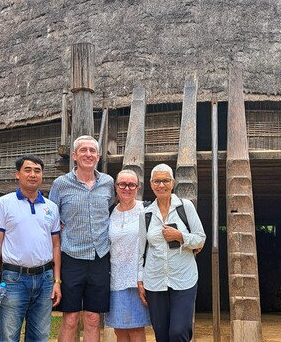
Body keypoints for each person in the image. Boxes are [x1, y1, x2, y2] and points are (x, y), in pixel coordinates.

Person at [0, 154, 62, 342]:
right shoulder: (4, 204)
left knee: (40, 336)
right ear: (17, 174)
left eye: (37, 171)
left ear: (42, 176)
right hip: (14, 279)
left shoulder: (51, 207)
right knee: (9, 334)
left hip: (45, 279)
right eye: (27, 170)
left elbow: (56, 244)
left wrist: (57, 281)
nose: (33, 174)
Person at [49, 135, 114, 342]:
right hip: (71, 257)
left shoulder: (108, 183)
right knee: (70, 318)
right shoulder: (61, 184)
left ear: (99, 155)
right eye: (83, 150)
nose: (88, 154)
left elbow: (110, 207)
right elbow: (51, 216)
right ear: (75, 156)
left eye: (92, 151)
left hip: (100, 257)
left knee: (93, 318)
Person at [138, 164, 206, 342]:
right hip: (154, 280)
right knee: (161, 333)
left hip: (183, 279)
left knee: (178, 331)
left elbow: (200, 239)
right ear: (151, 184)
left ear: (173, 183)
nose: (162, 185)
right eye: (157, 181)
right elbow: (141, 251)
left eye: (166, 180)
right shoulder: (146, 214)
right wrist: (140, 280)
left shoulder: (185, 207)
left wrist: (180, 236)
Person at [104, 170, 151, 342]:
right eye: (122, 184)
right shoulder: (110, 213)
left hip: (137, 279)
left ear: (137, 187)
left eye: (131, 184)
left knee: (136, 330)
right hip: (115, 279)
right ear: (116, 187)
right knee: (120, 330)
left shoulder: (146, 210)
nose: (127, 188)